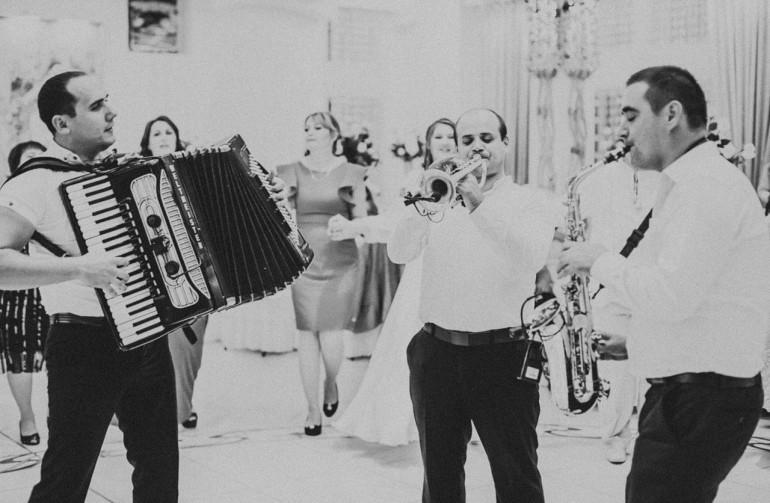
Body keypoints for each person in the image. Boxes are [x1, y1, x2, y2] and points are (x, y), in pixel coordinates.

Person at [557, 65, 769, 502]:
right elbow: (702, 299)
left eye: (631, 115)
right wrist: (638, 341)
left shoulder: (704, 185)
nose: (621, 130)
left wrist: (598, 261)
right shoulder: (693, 181)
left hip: (700, 400)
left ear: (671, 114)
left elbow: (671, 297)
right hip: (696, 394)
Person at [0, 71, 178, 502]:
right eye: (96, 106)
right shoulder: (34, 182)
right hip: (83, 344)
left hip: (149, 335)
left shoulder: (130, 170)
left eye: (107, 101)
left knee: (159, 473)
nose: (112, 112)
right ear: (62, 123)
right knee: (66, 480)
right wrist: (78, 268)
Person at [389, 108, 554, 502]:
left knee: (517, 478)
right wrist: (424, 202)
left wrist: (478, 202)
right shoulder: (438, 198)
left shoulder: (530, 200)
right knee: (439, 480)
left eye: (487, 138)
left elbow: (530, 258)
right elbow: (399, 252)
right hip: (436, 353)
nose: (477, 147)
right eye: (467, 140)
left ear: (505, 144)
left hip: (503, 356)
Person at [332, 118, 456, 446]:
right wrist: (357, 227)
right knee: (409, 344)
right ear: (428, 144)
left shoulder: (470, 180)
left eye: (451, 136)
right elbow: (395, 222)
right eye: (439, 136)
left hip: (458, 273)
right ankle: (402, 421)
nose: (446, 141)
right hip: (423, 273)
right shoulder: (417, 179)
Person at [277, 111, 367, 436]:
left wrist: (354, 227)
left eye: (318, 127)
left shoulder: (352, 172)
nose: (311, 132)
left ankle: (331, 381)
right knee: (306, 334)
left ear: (334, 135)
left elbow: (362, 217)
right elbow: (279, 214)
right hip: (303, 261)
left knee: (330, 335)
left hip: (341, 261)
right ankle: (312, 409)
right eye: (306, 128)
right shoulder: (291, 171)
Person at [571, 152, 659, 464]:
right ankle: (614, 435)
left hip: (651, 283)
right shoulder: (598, 178)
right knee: (613, 371)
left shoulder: (665, 172)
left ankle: (650, 436)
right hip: (608, 284)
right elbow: (581, 230)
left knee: (652, 368)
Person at [139, 115, 207, 429]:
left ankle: (182, 408)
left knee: (188, 347)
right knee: (149, 348)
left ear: (178, 139)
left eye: (169, 132)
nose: (164, 136)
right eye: (157, 133)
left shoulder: (191, 172)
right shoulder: (134, 175)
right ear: (147, 143)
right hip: (151, 272)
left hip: (193, 270)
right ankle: (147, 411)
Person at [0, 140, 49, 446]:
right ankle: (27, 416)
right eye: (29, 160)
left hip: (57, 283)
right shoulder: (6, 198)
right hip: (19, 288)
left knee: (64, 351)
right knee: (19, 351)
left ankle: (60, 414)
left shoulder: (59, 194)